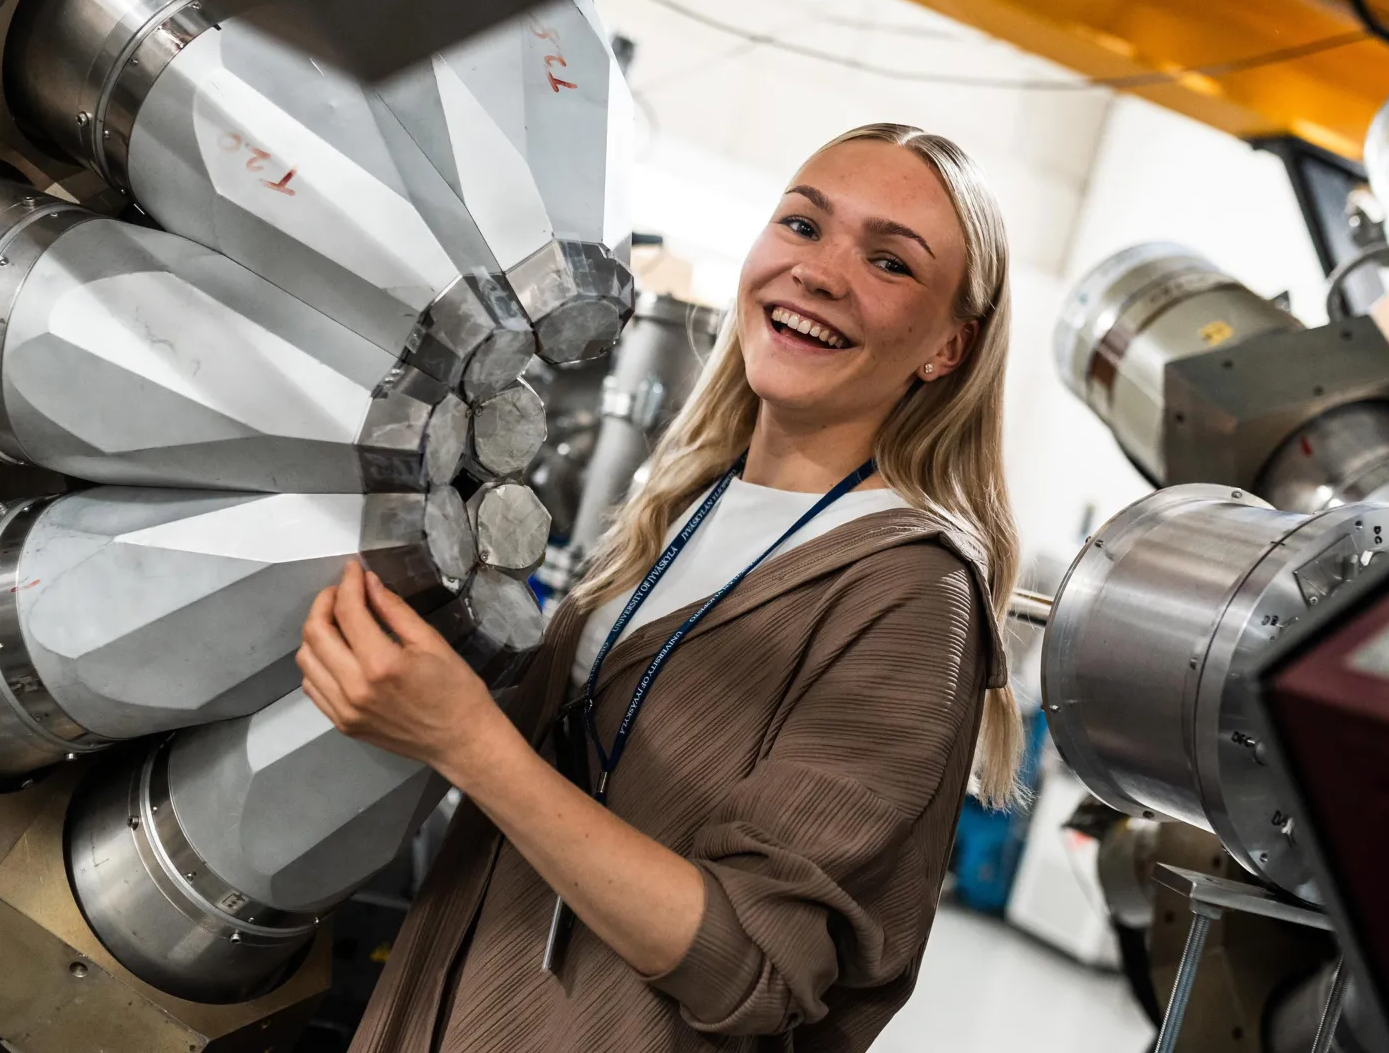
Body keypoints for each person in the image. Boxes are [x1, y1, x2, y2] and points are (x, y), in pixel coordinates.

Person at [297, 122, 1022, 1053]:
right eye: (803, 225)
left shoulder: (911, 593)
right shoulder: (685, 500)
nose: (819, 272)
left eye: (889, 262)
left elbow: (748, 965)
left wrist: (467, 740)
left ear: (949, 347)